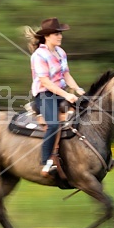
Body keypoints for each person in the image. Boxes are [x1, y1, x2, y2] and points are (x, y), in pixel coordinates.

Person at [25, 18, 86, 176]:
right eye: (56, 34)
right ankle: (45, 162)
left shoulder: (60, 52)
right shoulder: (39, 55)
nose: (60, 36)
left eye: (60, 33)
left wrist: (77, 89)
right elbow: (45, 82)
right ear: (47, 36)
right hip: (45, 95)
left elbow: (66, 74)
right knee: (53, 125)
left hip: (60, 92)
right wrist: (67, 95)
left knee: (86, 113)